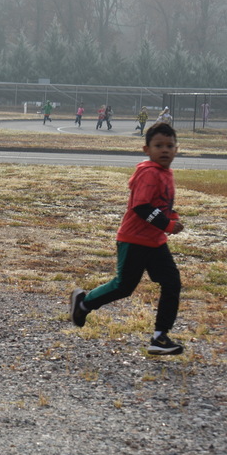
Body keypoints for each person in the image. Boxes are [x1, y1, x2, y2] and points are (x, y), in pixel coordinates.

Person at [70, 122, 184, 355]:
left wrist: (172, 217)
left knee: (172, 283)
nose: (164, 150)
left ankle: (160, 337)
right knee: (124, 286)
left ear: (176, 149)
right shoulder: (149, 173)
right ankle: (84, 302)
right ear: (147, 150)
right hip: (134, 240)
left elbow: (161, 205)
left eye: (169, 146)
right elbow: (141, 206)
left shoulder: (166, 174)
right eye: (158, 145)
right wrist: (167, 224)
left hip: (156, 242)